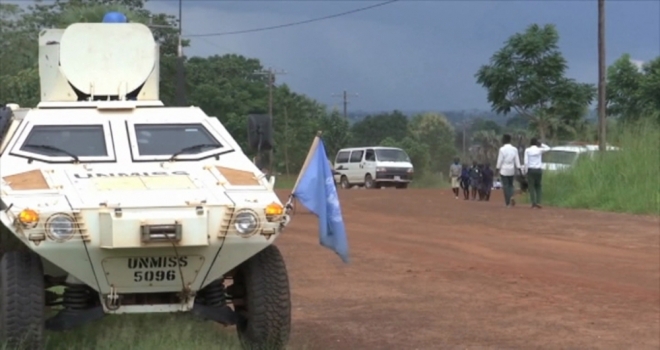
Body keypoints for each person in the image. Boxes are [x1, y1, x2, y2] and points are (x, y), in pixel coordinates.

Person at [523, 137, 551, 208]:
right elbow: (548, 148)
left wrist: (525, 171)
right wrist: (541, 144)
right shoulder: (539, 150)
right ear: (536, 143)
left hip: (531, 170)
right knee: (538, 186)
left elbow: (526, 162)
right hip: (538, 170)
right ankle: (539, 201)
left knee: (531, 186)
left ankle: (533, 202)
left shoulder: (527, 150)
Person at [496, 134, 522, 207]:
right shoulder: (514, 149)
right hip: (511, 170)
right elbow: (517, 160)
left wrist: (497, 169)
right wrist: (519, 169)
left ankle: (508, 202)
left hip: (504, 170)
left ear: (504, 140)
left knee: (506, 186)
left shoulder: (502, 149)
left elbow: (499, 161)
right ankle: (512, 197)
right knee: (511, 185)